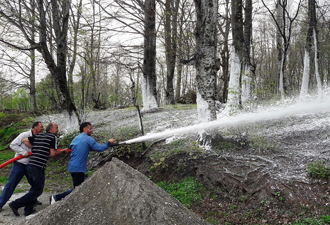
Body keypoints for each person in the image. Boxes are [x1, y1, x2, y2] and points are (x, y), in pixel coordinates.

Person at [8, 123, 68, 216]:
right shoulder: (53, 137)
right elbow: (53, 153)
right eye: (56, 128)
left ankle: (28, 210)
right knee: (38, 190)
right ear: (51, 129)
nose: (58, 130)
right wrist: (63, 150)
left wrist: (35, 149)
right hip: (38, 166)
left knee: (34, 188)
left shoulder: (39, 135)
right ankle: (15, 204)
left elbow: (25, 140)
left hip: (30, 165)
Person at [50, 122, 116, 204]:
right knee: (78, 190)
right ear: (85, 129)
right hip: (78, 168)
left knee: (78, 188)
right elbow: (100, 148)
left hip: (72, 166)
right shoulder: (88, 139)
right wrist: (109, 142)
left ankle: (71, 201)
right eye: (90, 128)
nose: (92, 130)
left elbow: (76, 148)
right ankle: (57, 198)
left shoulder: (76, 138)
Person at [0, 122, 44, 213]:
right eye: (41, 127)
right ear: (35, 128)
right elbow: (13, 145)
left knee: (35, 185)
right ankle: (0, 203)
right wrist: (23, 152)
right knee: (11, 184)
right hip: (20, 164)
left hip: (32, 165)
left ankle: (32, 200)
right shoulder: (24, 135)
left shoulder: (40, 136)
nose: (43, 128)